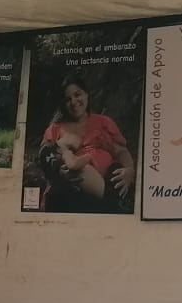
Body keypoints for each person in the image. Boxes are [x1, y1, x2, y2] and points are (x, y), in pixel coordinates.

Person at [40, 81, 136, 210]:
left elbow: (121, 151)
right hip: (71, 187)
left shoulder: (103, 122)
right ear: (62, 103)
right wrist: (58, 172)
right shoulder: (55, 129)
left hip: (109, 180)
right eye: (67, 99)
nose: (73, 102)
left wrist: (129, 170)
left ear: (87, 95)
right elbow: (45, 159)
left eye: (77, 95)